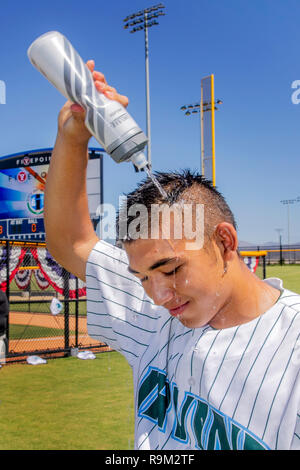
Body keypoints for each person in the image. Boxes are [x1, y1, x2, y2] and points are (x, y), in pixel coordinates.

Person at [44, 60, 300, 451]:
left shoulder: (292, 344)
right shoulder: (157, 313)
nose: (158, 295)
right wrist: (74, 135)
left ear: (225, 243)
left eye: (171, 269)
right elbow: (71, 242)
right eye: (143, 276)